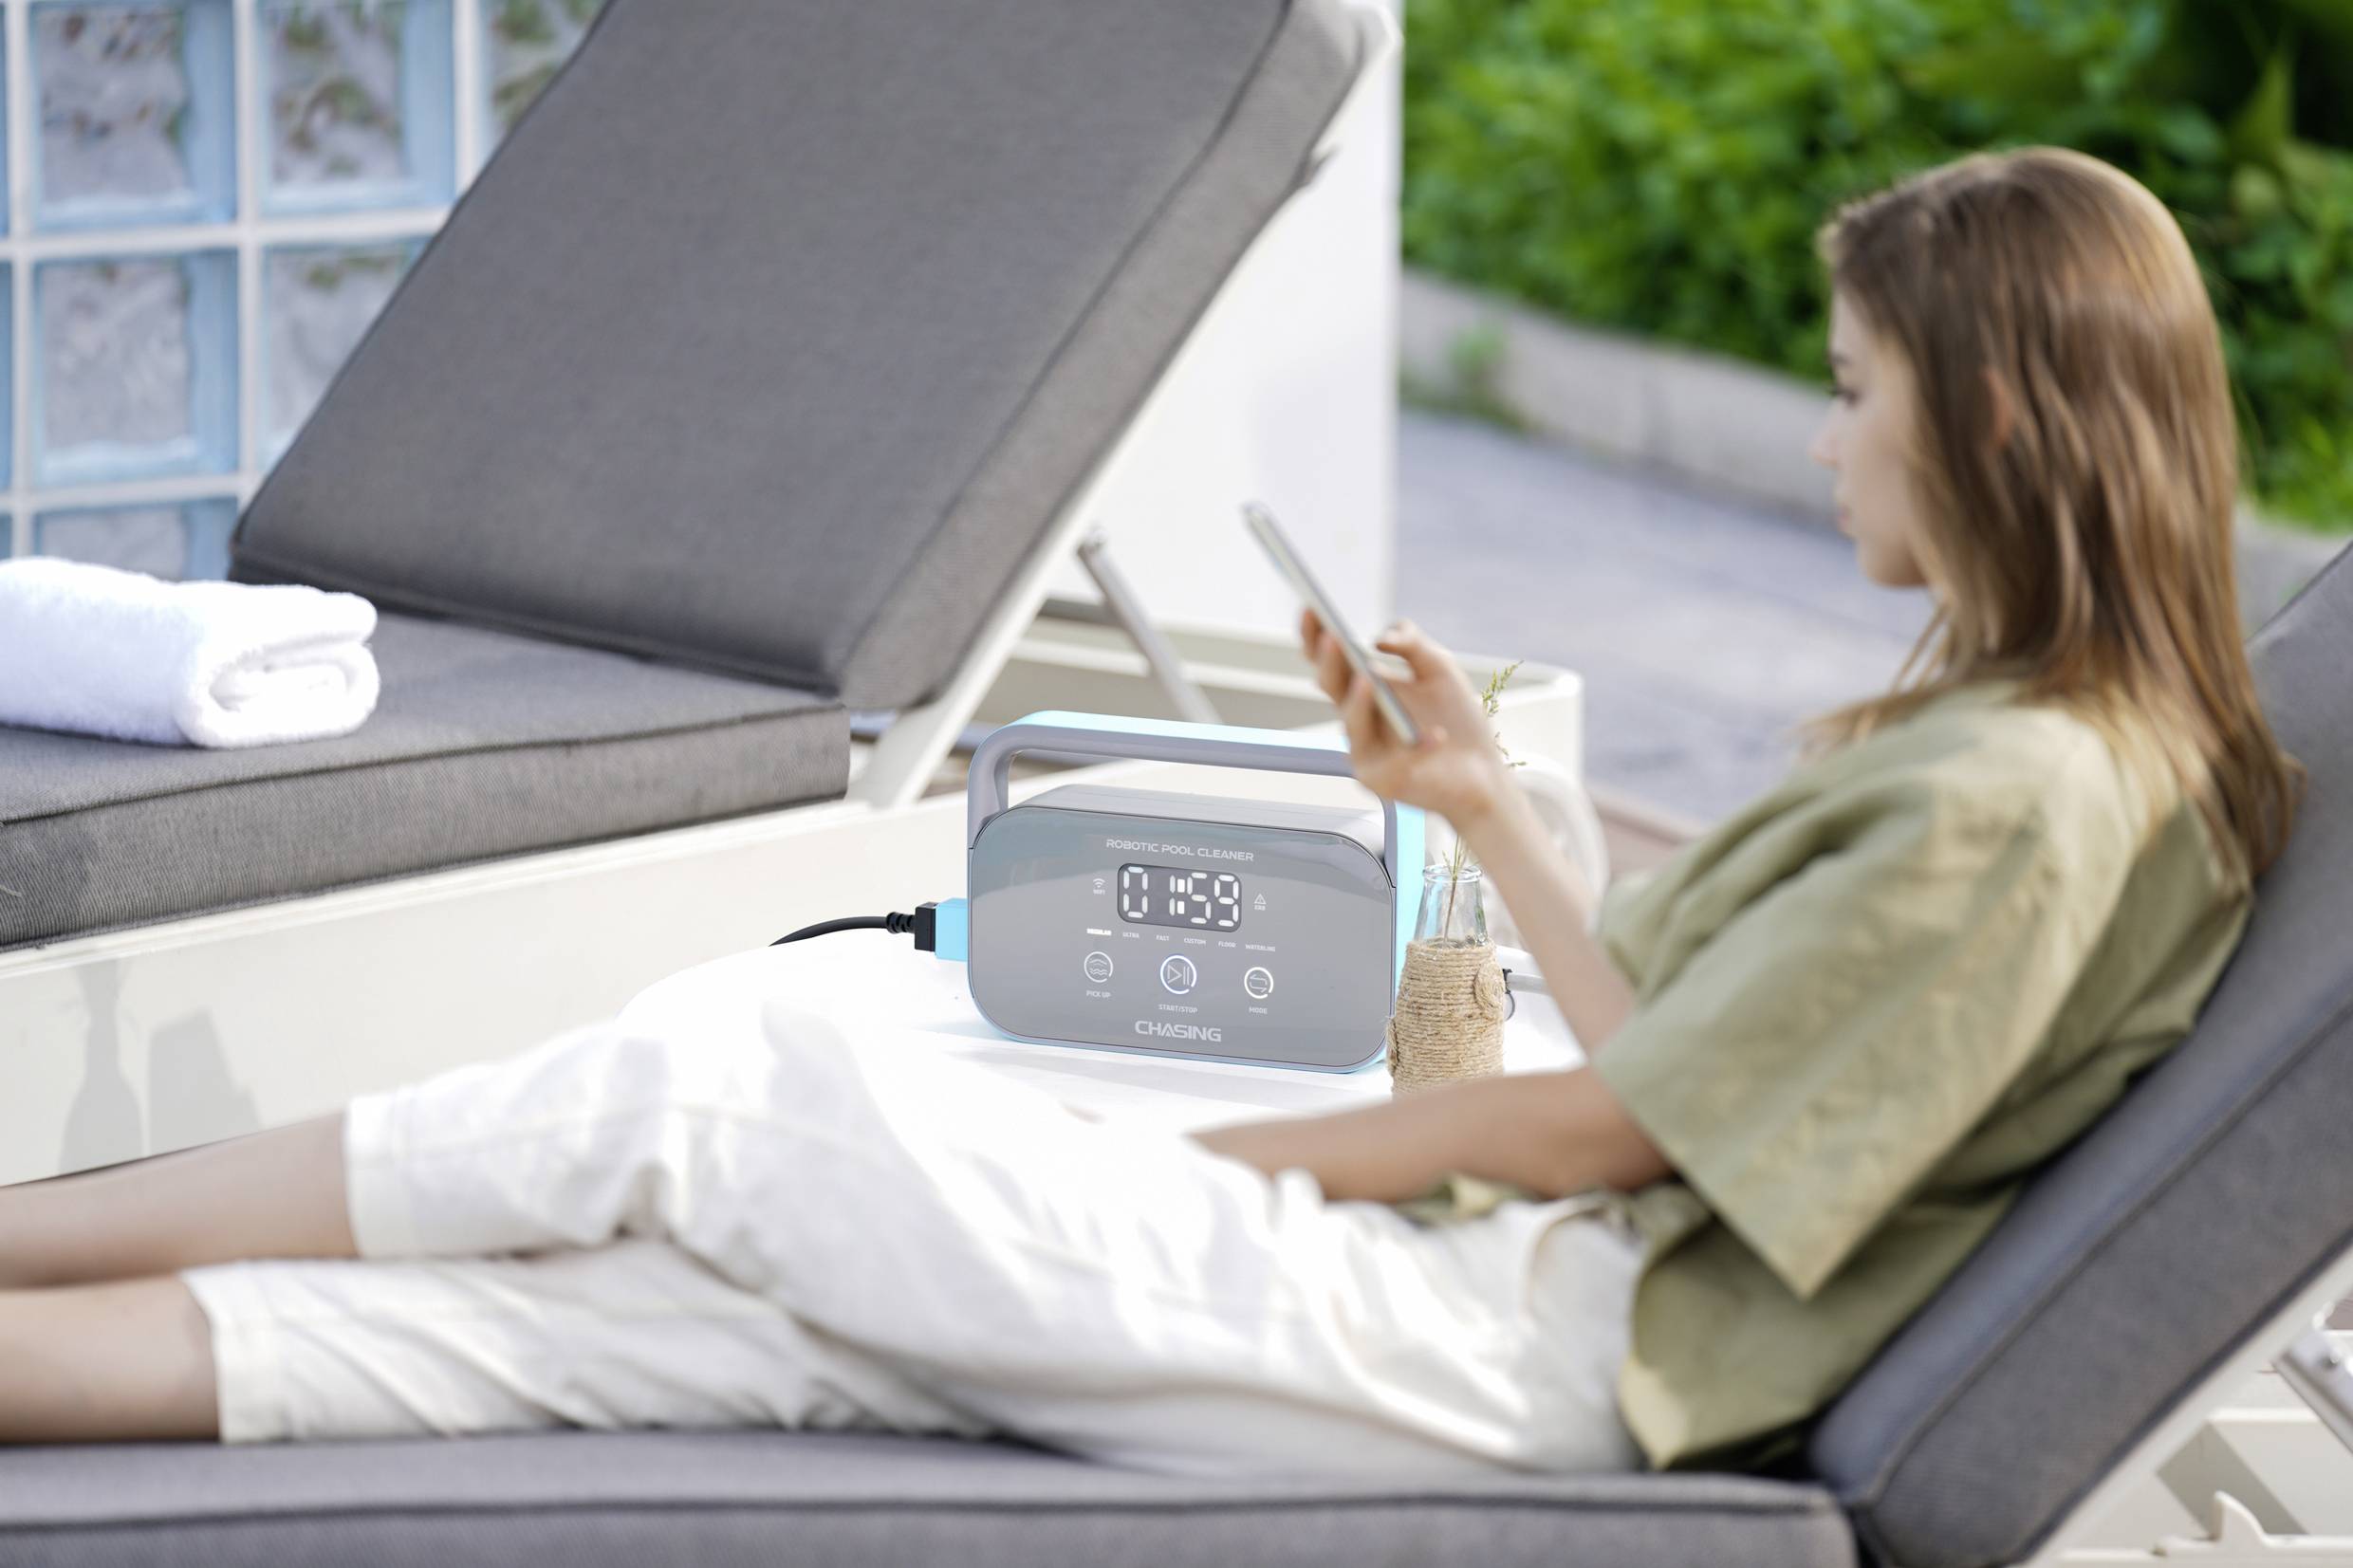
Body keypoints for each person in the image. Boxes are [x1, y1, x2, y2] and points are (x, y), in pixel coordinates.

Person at [0, 145, 2303, 1476]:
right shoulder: (2048, 749)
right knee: (644, 1310)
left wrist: (1169, 1163)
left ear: (1994, 422)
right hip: (1512, 1295)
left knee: (762, 1068)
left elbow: (1612, 1136)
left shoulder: (2019, 795)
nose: (1824, 444)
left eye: (1852, 394)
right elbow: (1681, 1081)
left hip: (1509, 1354)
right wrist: (1488, 811)